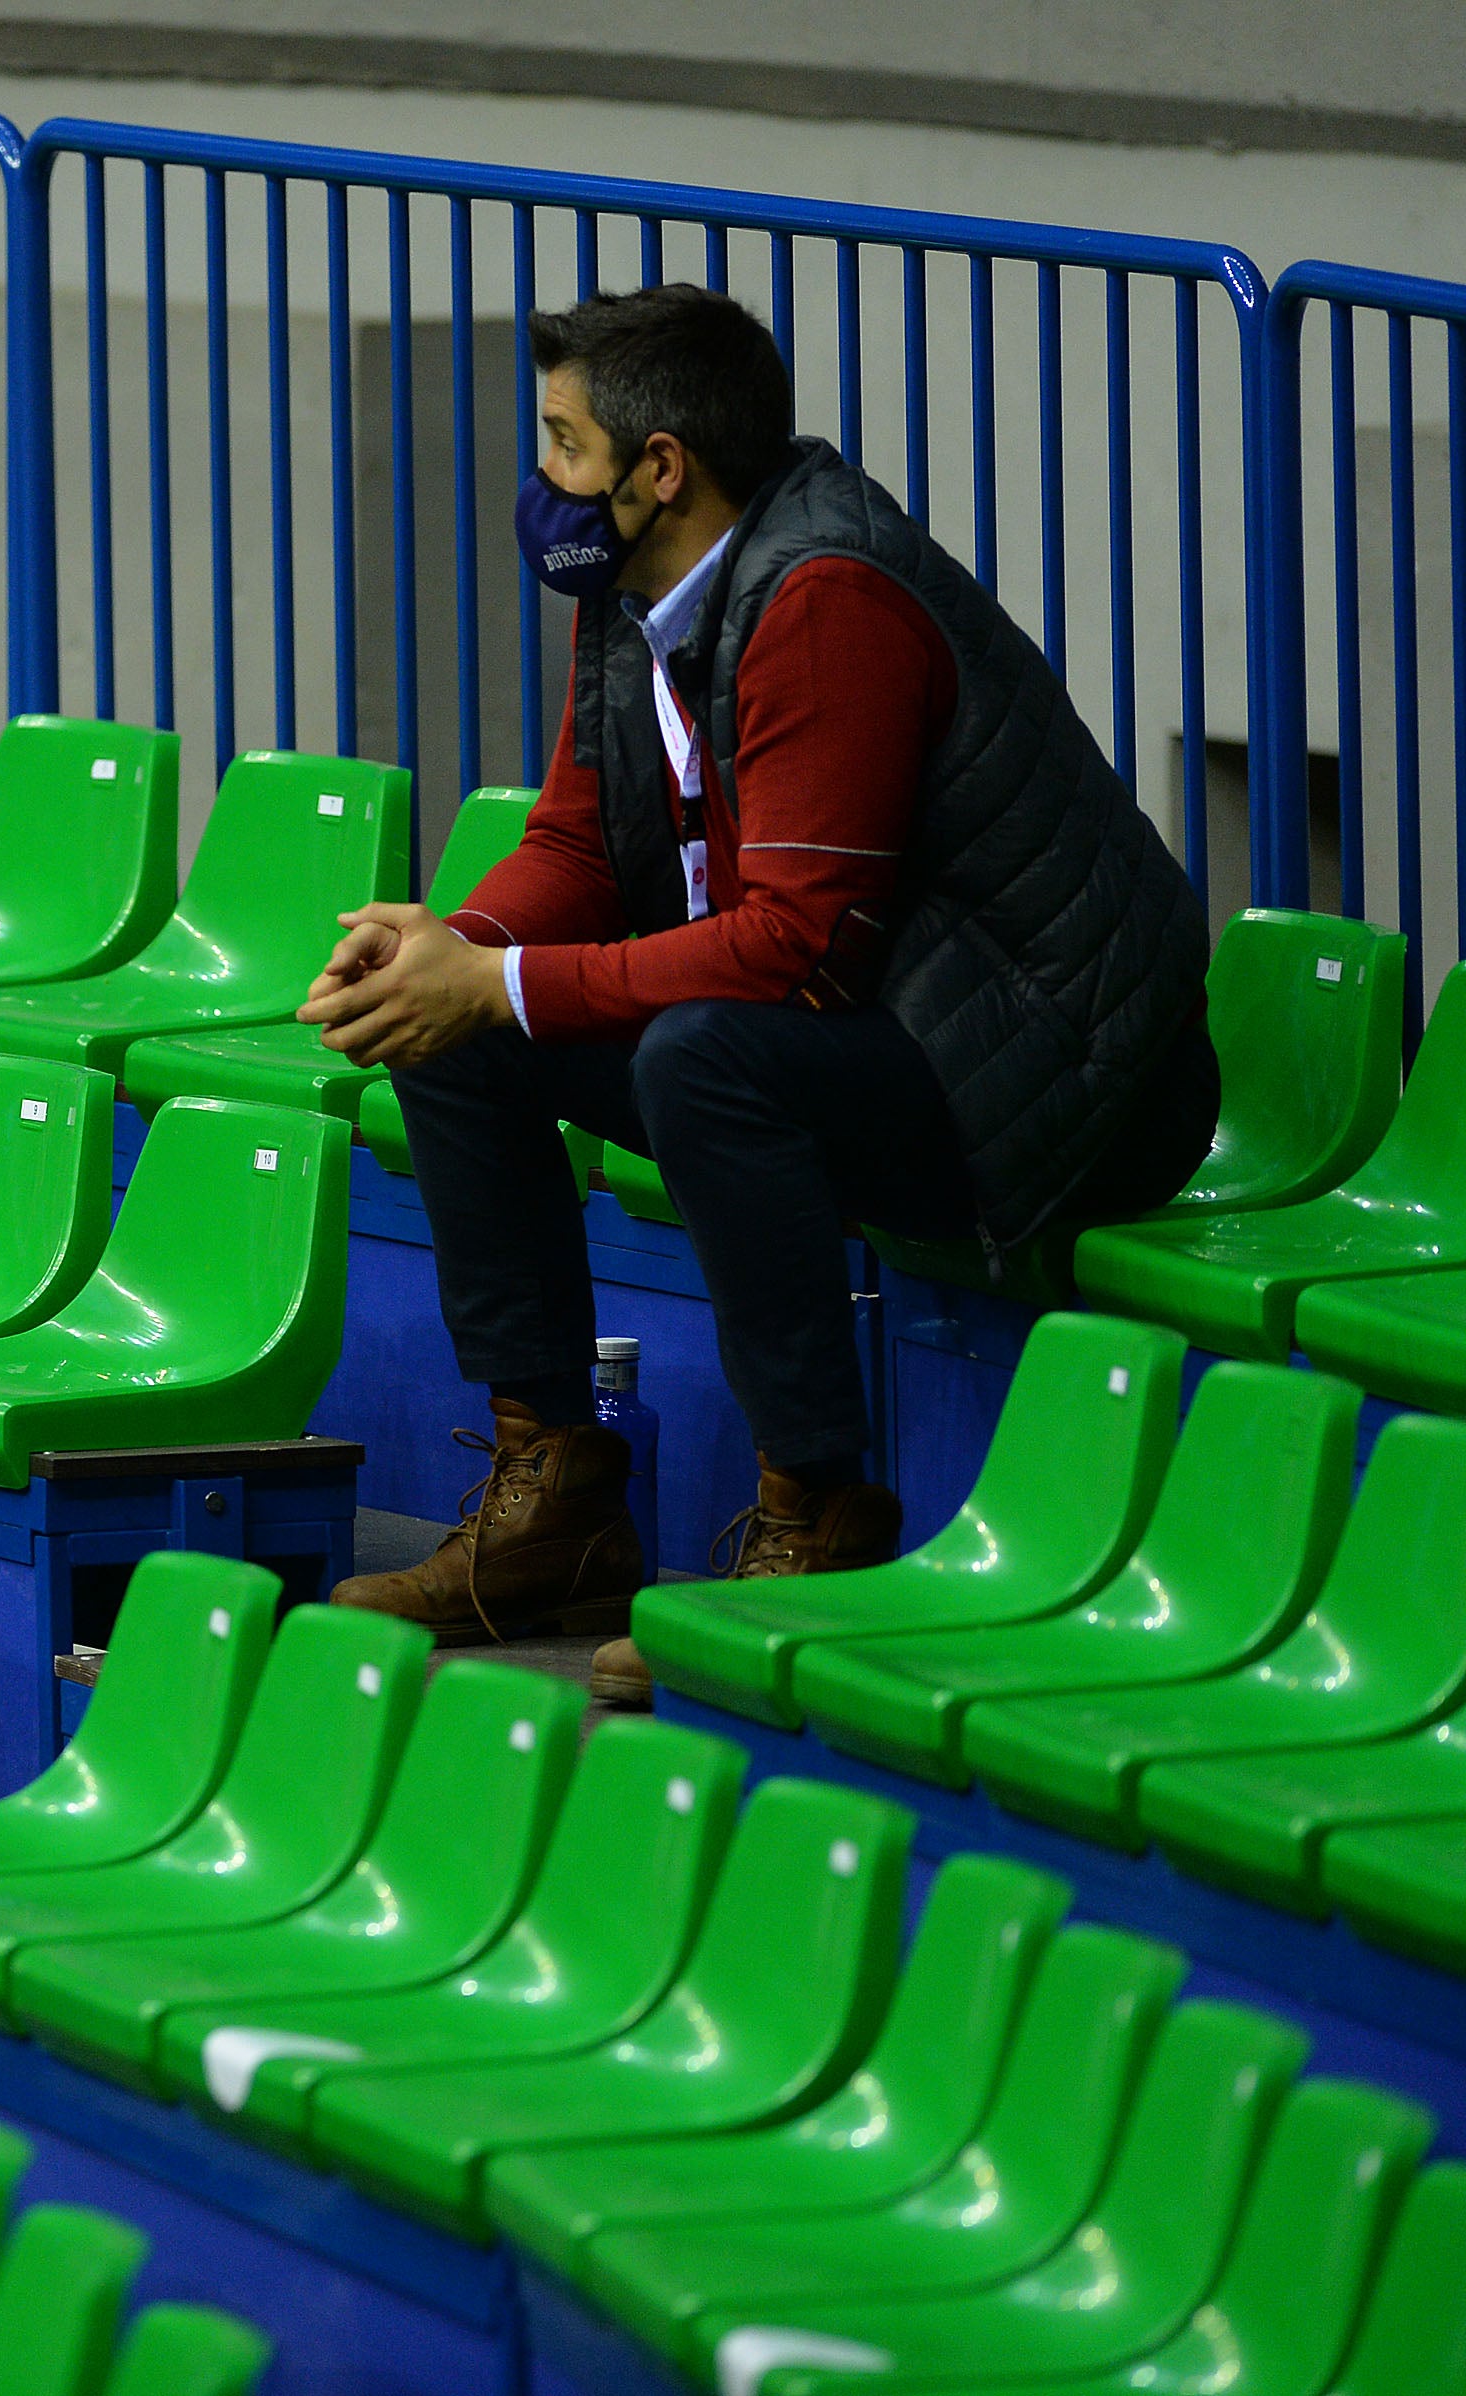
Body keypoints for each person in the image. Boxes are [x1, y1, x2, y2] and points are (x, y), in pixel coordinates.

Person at [296, 283, 1217, 1709]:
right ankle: (560, 1502)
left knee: (701, 1059)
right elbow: (570, 847)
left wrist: (509, 979)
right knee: (462, 1030)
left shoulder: (825, 597)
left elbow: (798, 947)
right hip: (894, 1037)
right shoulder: (636, 587)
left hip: (1058, 1078)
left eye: (563, 445)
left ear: (661, 467)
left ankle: (821, 1522)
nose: (542, 481)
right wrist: (455, 946)